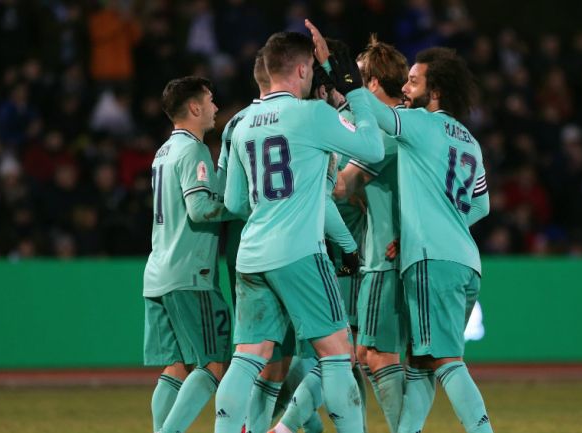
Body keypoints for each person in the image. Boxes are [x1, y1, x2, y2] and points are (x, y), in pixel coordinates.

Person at [213, 30, 384, 433]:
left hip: (252, 255)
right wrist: (353, 90)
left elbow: (235, 203)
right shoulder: (312, 115)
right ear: (304, 68)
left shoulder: (242, 123)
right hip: (301, 253)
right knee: (338, 354)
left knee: (248, 357)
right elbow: (373, 150)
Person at [363, 47, 493, 433]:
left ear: (434, 90)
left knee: (446, 360)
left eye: (413, 81)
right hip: (466, 262)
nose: (405, 87)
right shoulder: (469, 139)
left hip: (430, 261)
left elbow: (373, 111)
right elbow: (482, 205)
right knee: (421, 363)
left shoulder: (418, 123)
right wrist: (446, 221)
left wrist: (341, 76)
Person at [143, 76, 234, 433]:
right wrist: (240, 206)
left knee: (176, 366)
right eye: (210, 100)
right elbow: (200, 209)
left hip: (158, 273)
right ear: (194, 107)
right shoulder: (194, 150)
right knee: (213, 364)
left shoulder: (163, 151)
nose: (214, 107)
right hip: (190, 274)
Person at [335, 35, 409, 433]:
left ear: (374, 84)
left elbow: (340, 187)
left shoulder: (382, 134)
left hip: (385, 256)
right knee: (365, 353)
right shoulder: (408, 126)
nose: (352, 89)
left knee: (378, 357)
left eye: (359, 79)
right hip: (388, 251)